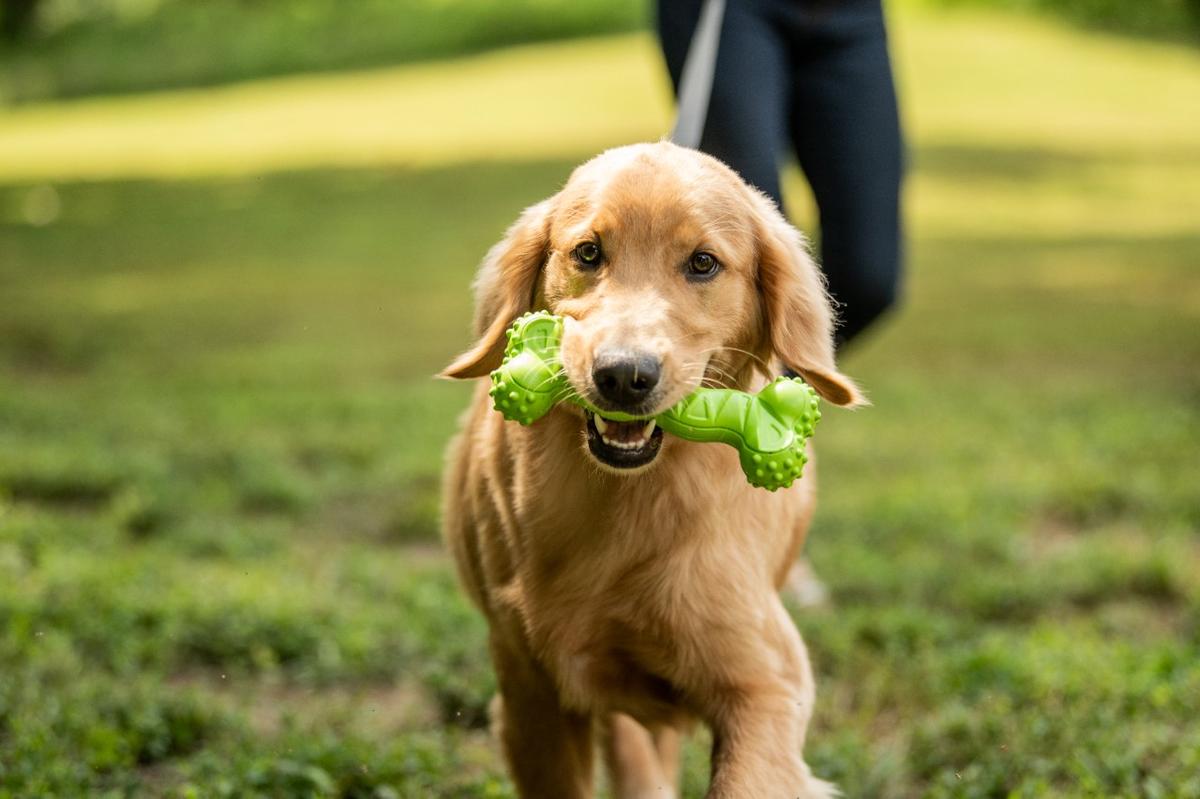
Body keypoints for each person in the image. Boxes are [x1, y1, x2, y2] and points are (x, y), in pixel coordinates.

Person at [658, 0, 905, 348]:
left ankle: (781, 383)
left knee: (868, 279)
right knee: (740, 247)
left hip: (854, 12)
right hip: (728, 11)